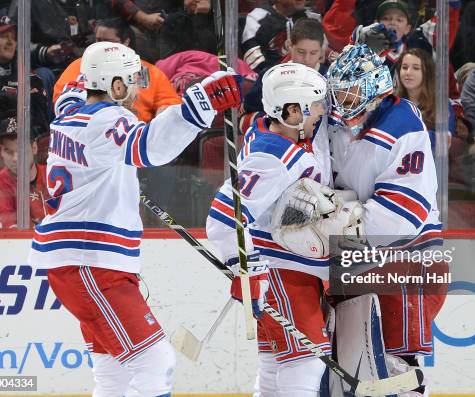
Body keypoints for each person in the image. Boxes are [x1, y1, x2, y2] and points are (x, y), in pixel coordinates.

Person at [28, 41, 242, 397]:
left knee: (113, 373)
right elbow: (151, 148)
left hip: (81, 261)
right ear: (113, 85)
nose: (136, 90)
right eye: (130, 80)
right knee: (154, 362)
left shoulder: (68, 115)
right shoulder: (108, 118)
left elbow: (72, 99)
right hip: (91, 262)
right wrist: (198, 105)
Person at [205, 62, 333, 396]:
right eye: (315, 104)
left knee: (276, 363)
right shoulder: (272, 155)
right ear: (292, 111)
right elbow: (222, 217)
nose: (322, 111)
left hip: (282, 272)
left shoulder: (274, 131)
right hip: (281, 273)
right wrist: (248, 270)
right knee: (306, 363)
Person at [325, 44, 446, 395]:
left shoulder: (402, 123)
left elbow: (404, 214)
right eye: (337, 91)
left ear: (374, 86)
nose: (341, 99)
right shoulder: (338, 124)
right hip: (356, 257)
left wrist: (338, 221)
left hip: (406, 260)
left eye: (350, 90)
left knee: (395, 367)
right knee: (352, 365)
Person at [53, 17, 181, 123]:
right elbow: (62, 98)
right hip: (91, 132)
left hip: (138, 137)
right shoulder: (81, 65)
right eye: (98, 41)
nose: (100, 46)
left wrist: (164, 113)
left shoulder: (146, 71)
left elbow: (170, 102)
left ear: (126, 42)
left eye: (108, 42)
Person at [240, 17, 328, 133]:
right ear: (290, 46)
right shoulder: (271, 77)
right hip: (278, 145)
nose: (307, 59)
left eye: (313, 53)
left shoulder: (330, 78)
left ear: (321, 51)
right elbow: (244, 119)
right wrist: (277, 123)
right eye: (301, 52)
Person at [0, 8, 50, 131]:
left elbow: (38, 121)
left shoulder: (29, 76)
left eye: (13, 37)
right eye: (4, 36)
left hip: (24, 147)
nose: (11, 42)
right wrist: (16, 99)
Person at [0, 117, 49, 229]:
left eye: (21, 150)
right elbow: (11, 231)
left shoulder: (52, 174)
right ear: (1, 151)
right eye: (8, 151)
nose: (15, 159)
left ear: (34, 148)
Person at [395, 48, 456, 150]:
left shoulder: (440, 104)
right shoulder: (391, 103)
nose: (408, 72)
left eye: (416, 68)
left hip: (428, 162)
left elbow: (446, 138)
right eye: (404, 67)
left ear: (427, 72)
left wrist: (407, 137)